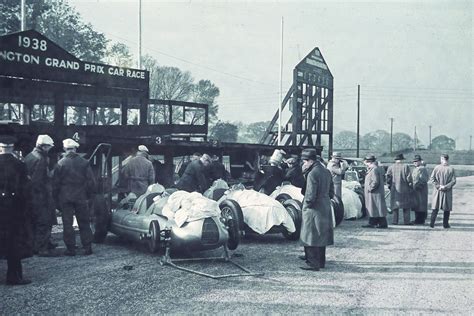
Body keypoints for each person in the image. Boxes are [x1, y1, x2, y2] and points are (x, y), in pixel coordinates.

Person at [53, 138, 96, 256]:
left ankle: (70, 249)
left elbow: (55, 184)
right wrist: (89, 195)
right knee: (84, 222)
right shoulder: (84, 162)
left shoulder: (60, 164)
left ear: (64, 149)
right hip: (81, 197)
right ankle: (87, 247)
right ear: (76, 149)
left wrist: (56, 199)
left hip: (65, 197)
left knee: (67, 223)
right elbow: (91, 182)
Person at [0, 134, 33, 285]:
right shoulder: (19, 165)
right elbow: (25, 191)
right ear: (12, 147)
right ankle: (13, 276)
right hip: (13, 210)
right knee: (13, 242)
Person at [299, 148, 335, 271]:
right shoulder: (326, 171)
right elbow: (332, 192)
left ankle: (312, 263)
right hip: (325, 206)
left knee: (310, 234)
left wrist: (306, 206)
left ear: (309, 161)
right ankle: (321, 262)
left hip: (313, 208)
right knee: (321, 234)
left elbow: (310, 195)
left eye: (304, 162)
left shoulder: (312, 173)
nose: (304, 164)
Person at [24, 134, 58, 257]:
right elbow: (37, 181)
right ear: (43, 146)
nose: (50, 149)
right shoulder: (41, 159)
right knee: (44, 221)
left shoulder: (30, 156)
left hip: (30, 195)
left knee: (33, 221)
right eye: (49, 147)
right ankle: (41, 248)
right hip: (40, 196)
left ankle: (39, 244)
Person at [429, 154, 456, 228]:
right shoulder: (451, 169)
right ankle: (445, 224)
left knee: (435, 207)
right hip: (446, 191)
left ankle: (432, 223)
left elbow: (432, 179)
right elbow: (453, 181)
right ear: (448, 159)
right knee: (446, 208)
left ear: (442, 159)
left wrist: (438, 186)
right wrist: (445, 186)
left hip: (438, 191)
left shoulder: (437, 168)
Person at [362, 155, 389, 229]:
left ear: (369, 162)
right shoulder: (376, 168)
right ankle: (373, 222)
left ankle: (382, 224)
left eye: (366, 163)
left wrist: (370, 188)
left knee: (376, 208)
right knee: (375, 208)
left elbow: (375, 181)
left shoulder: (374, 169)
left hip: (374, 192)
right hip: (375, 192)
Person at [386, 153, 413, 225]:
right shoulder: (405, 167)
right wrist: (411, 186)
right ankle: (407, 221)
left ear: (396, 160)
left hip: (395, 189)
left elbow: (388, 178)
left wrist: (389, 185)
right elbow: (409, 178)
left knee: (395, 206)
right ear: (402, 160)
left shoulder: (391, 167)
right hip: (405, 189)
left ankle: (395, 221)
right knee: (406, 206)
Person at [411, 154, 429, 225]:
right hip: (416, 190)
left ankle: (420, 220)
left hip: (421, 190)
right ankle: (417, 219)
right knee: (417, 205)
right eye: (414, 161)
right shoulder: (416, 169)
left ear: (420, 161)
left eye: (417, 161)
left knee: (421, 205)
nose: (415, 162)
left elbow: (423, 180)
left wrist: (417, 186)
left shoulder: (422, 169)